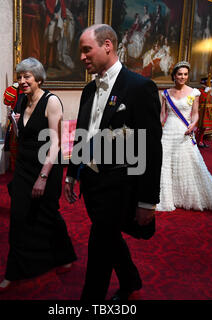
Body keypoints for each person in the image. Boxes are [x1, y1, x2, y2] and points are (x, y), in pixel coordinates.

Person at [64, 24, 163, 300]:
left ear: (108, 45)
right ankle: (131, 280)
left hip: (120, 187)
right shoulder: (87, 90)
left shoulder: (140, 87)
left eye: (87, 50)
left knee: (99, 245)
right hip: (92, 184)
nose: (82, 57)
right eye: (81, 51)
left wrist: (147, 201)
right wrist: (73, 174)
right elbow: (83, 135)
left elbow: (151, 150)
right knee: (109, 238)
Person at [0, 57, 77, 294]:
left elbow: (56, 143)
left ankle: (64, 255)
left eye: (27, 76)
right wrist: (14, 122)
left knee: (48, 214)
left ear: (39, 78)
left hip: (46, 164)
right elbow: (21, 136)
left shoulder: (52, 102)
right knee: (19, 217)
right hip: (24, 165)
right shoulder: (19, 102)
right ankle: (14, 272)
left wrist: (43, 176)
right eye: (20, 77)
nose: (22, 81)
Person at [157, 61, 212, 213]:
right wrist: (158, 128)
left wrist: (193, 125)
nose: (182, 77)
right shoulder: (166, 93)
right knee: (165, 163)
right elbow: (163, 114)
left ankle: (186, 197)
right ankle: (168, 197)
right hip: (168, 131)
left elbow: (195, 114)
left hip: (184, 131)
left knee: (187, 162)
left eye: (185, 74)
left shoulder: (194, 92)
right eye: (179, 74)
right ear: (174, 76)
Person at [196, 76, 212, 148]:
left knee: (203, 128)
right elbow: (202, 100)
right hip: (202, 112)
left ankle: (200, 141)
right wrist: (206, 92)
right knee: (200, 128)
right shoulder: (199, 91)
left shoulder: (209, 91)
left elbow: (211, 101)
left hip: (208, 112)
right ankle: (198, 141)